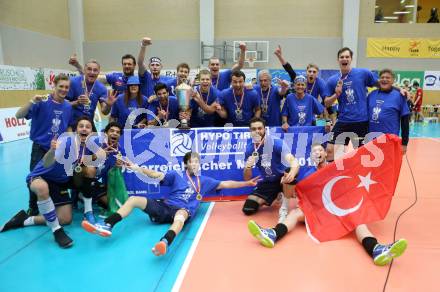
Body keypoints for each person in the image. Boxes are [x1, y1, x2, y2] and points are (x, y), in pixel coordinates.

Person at [247, 143, 408, 266]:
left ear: (325, 153)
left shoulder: (335, 168)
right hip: (315, 211)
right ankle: (273, 234)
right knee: (295, 213)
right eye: (314, 151)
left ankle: (376, 249)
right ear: (311, 156)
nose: (317, 153)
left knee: (358, 222)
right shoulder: (305, 172)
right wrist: (287, 183)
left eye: (320, 150)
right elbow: (295, 193)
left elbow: (353, 166)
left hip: (335, 210)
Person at [83, 152, 260, 256]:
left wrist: (246, 183)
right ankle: (108, 225)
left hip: (182, 211)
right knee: (134, 199)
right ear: (186, 164)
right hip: (165, 207)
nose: (195, 164)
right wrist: (136, 168)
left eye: (197, 161)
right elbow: (155, 174)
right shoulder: (176, 175)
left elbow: (226, 184)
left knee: (181, 216)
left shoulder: (204, 181)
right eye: (192, 161)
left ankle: (165, 242)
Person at [0, 117, 106, 248]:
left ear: (91, 131)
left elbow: (100, 156)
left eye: (88, 127)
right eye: (81, 126)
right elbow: (47, 162)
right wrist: (52, 151)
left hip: (61, 181)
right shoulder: (66, 141)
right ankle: (57, 230)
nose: (84, 128)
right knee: (42, 187)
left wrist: (95, 155)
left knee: (66, 219)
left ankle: (24, 220)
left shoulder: (89, 145)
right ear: (75, 130)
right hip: (41, 177)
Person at [15, 74, 73, 216]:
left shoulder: (67, 106)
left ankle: (55, 201)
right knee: (35, 178)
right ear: (54, 85)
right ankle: (33, 208)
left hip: (57, 150)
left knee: (58, 177)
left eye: (66, 87)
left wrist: (70, 141)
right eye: (61, 86)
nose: (64, 90)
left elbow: (67, 126)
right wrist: (31, 102)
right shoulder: (42, 101)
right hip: (40, 148)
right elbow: (18, 115)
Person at [324, 47, 378, 161]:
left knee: (362, 154)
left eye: (347, 57)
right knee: (329, 150)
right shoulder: (332, 80)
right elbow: (326, 103)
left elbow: (382, 84)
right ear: (338, 60)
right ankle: (333, 176)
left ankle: (359, 177)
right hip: (343, 121)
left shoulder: (363, 73)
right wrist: (336, 95)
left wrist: (399, 90)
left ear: (351, 59)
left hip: (361, 121)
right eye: (342, 57)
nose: (344, 59)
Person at [241, 117, 299, 216]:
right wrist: (248, 167)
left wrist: (292, 174)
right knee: (248, 208)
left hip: (282, 178)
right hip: (269, 181)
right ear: (250, 131)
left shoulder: (276, 143)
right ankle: (276, 195)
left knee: (290, 170)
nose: (257, 131)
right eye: (254, 129)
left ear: (264, 129)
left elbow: (294, 162)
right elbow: (247, 178)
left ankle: (284, 207)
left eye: (260, 128)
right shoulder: (250, 149)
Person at [367, 69, 410, 154]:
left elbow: (405, 122)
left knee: (388, 167)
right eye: (382, 77)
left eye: (388, 77)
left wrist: (404, 143)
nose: (384, 79)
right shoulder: (371, 95)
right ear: (379, 80)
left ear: (393, 80)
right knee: (372, 166)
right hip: (371, 141)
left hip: (390, 140)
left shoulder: (399, 96)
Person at [66, 59, 116, 130]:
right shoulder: (73, 82)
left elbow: (104, 112)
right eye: (89, 69)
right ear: (85, 70)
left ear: (99, 72)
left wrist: (108, 105)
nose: (92, 72)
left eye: (95, 70)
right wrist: (76, 102)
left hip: (88, 124)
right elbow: (62, 105)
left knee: (97, 140)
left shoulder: (101, 88)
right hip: (72, 123)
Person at [69, 54, 136, 95]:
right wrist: (77, 65)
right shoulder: (115, 77)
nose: (127, 66)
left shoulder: (139, 79)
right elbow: (92, 75)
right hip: (117, 115)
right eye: (124, 64)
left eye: (129, 64)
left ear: (134, 65)